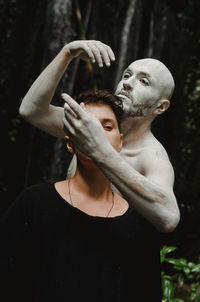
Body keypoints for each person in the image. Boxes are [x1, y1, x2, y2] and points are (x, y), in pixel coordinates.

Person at [1, 90, 163, 301]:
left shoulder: (139, 224)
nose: (96, 134)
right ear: (69, 142)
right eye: (88, 126)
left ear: (121, 142)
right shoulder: (33, 203)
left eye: (107, 127)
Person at [19, 40, 180, 232]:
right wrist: (66, 54)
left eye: (143, 81)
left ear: (160, 107)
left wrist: (100, 151)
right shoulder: (91, 123)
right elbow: (32, 111)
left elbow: (168, 218)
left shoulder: (151, 157)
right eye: (127, 75)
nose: (128, 83)